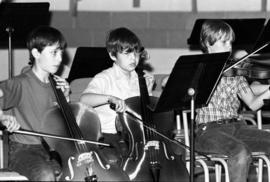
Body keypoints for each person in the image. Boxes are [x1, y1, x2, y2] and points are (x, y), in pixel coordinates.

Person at [195, 19, 270, 182]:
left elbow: (253, 104)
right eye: (224, 42)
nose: (229, 46)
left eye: (230, 42)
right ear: (209, 43)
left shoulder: (235, 71)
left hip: (237, 127)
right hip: (209, 131)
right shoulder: (199, 68)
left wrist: (267, 93)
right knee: (240, 152)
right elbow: (168, 82)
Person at [0, 26, 70, 181]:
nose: (60, 59)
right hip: (24, 151)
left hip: (53, 150)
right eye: (54, 52)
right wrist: (3, 117)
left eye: (61, 52)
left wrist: (65, 99)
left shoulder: (57, 86)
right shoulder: (20, 83)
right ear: (36, 53)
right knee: (46, 176)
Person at [80, 27, 154, 165]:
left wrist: (147, 92)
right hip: (108, 137)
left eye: (136, 53)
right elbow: (84, 99)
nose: (133, 58)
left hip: (134, 136)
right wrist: (109, 98)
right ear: (113, 56)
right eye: (127, 54)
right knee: (118, 160)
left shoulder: (139, 79)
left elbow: (143, 113)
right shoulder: (105, 77)